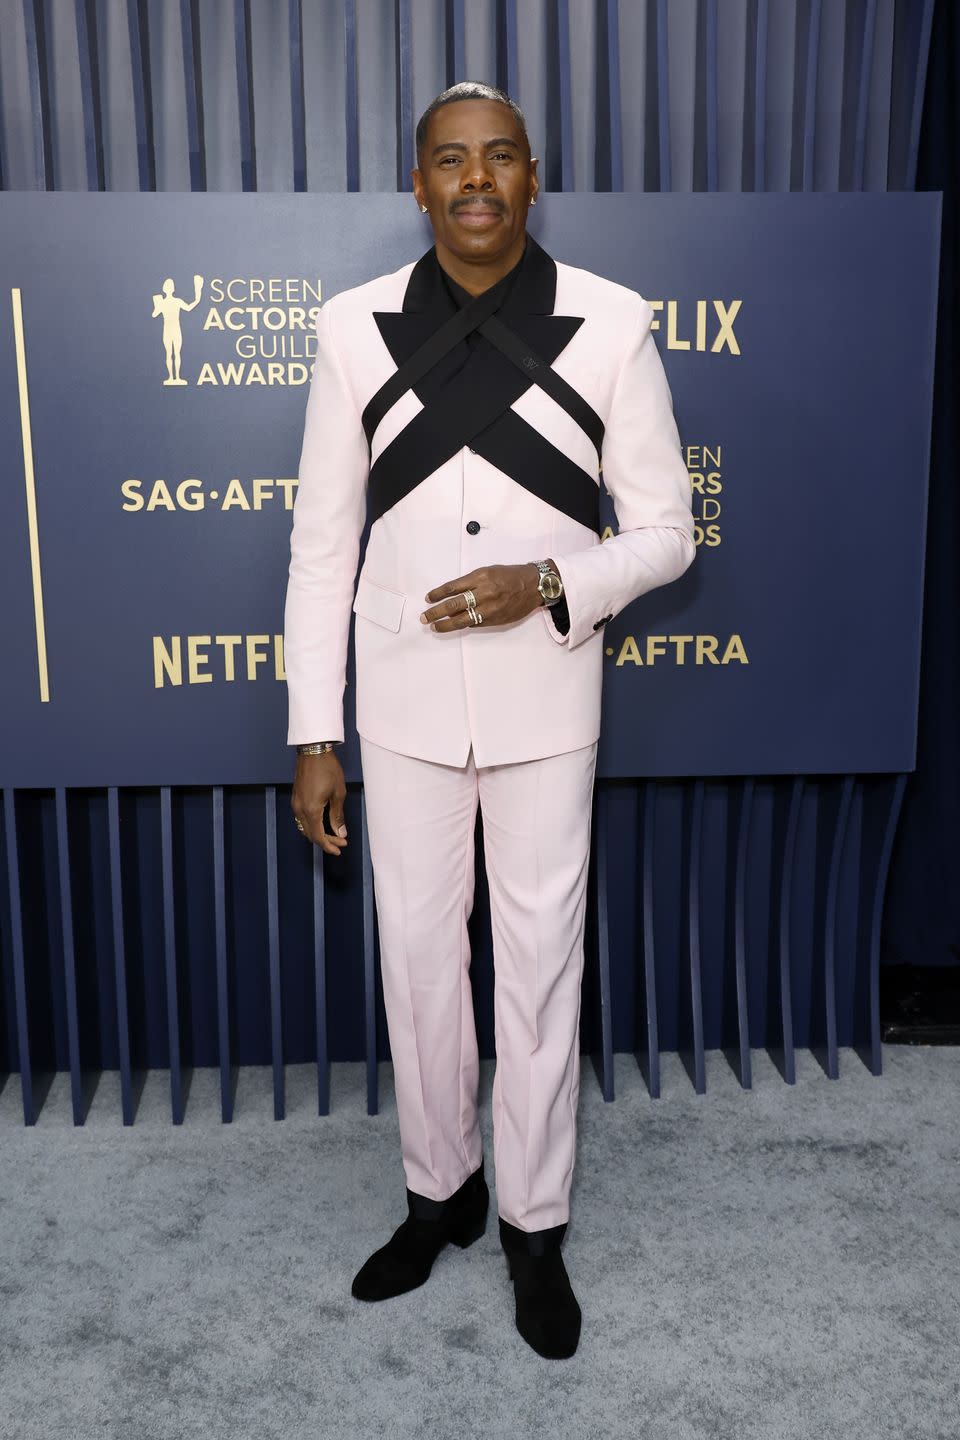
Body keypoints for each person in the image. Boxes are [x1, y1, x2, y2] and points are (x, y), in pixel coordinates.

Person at [283, 80, 696, 1360]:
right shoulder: (353, 331)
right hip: (398, 709)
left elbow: (669, 536)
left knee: (537, 971)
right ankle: (438, 1194)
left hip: (546, 698)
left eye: (499, 158)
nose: (475, 180)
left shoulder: (611, 325)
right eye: (450, 162)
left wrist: (552, 583)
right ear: (418, 187)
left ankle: (532, 1223)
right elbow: (321, 545)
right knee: (416, 969)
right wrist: (314, 732)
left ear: (532, 179)